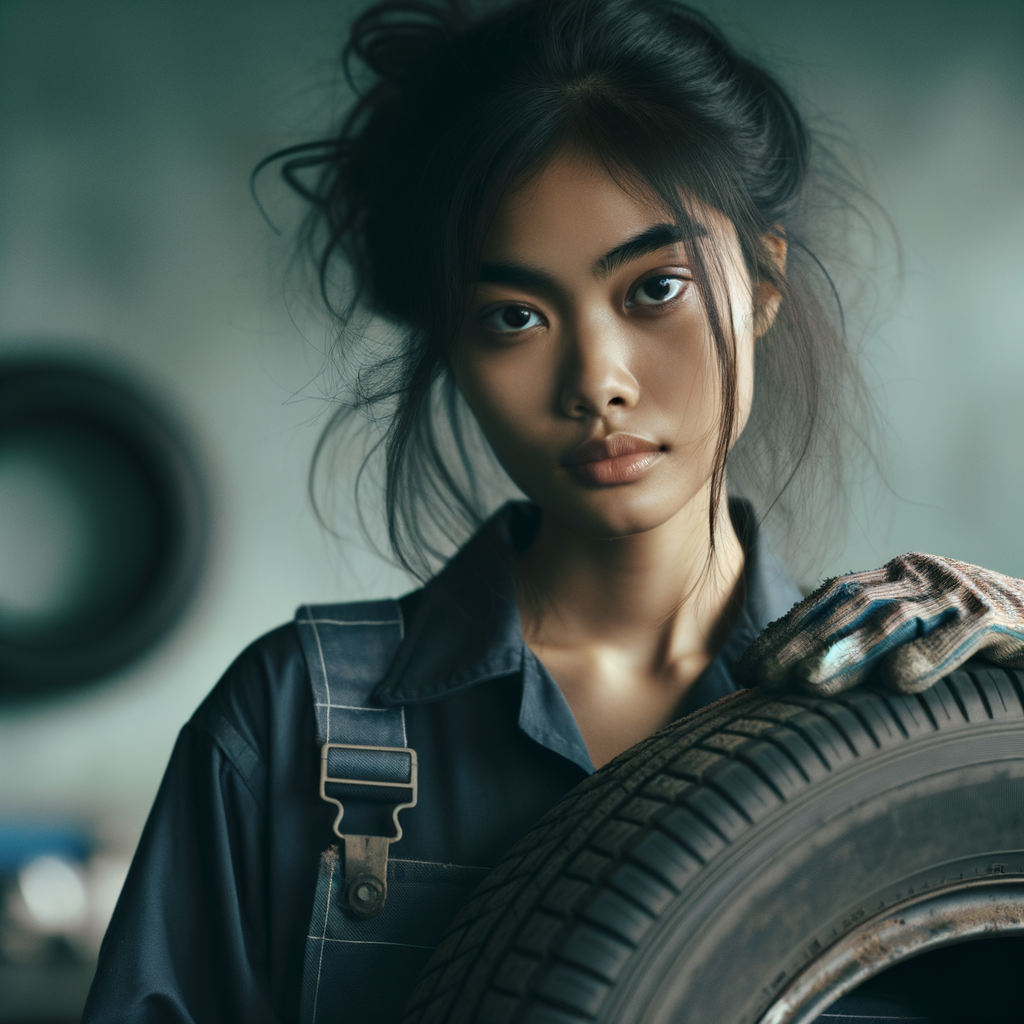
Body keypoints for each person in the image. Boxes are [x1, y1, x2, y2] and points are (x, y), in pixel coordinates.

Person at [82, 1, 1024, 1022]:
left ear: (761, 281)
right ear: (451, 342)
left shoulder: (913, 717)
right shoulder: (288, 726)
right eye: (513, 317)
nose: (597, 379)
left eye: (654, 287)